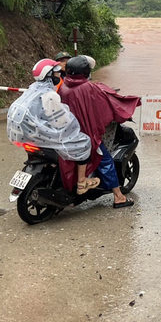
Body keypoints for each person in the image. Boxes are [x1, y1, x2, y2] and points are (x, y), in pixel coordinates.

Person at [6, 59, 99, 195]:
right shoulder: (49, 95)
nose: (58, 76)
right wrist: (76, 124)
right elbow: (62, 122)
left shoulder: (33, 88)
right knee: (84, 142)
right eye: (56, 73)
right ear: (49, 75)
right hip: (38, 135)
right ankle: (81, 182)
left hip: (21, 135)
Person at [59, 56, 142, 208]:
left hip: (67, 133)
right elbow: (106, 105)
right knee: (105, 160)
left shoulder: (63, 86)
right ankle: (118, 197)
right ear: (85, 71)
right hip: (85, 134)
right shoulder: (88, 87)